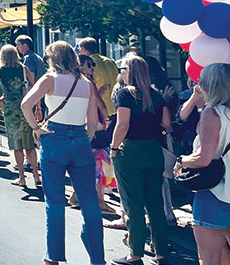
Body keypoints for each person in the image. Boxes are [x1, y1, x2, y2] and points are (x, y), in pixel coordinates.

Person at [21, 41, 105, 265]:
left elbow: (26, 104)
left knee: (55, 201)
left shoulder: (50, 79)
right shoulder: (86, 83)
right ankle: (98, 258)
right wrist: (84, 139)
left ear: (54, 59)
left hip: (54, 136)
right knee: (89, 202)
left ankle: (54, 256)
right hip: (79, 138)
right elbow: (92, 120)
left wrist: (36, 127)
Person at [108, 55, 171, 264]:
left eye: (122, 68)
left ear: (131, 71)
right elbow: (166, 123)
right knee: (155, 202)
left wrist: (114, 148)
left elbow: (122, 125)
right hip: (153, 149)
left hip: (131, 150)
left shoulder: (125, 94)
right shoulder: (156, 95)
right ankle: (161, 252)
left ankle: (135, 254)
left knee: (133, 203)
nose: (120, 72)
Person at [175, 63, 230, 265]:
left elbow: (203, 158)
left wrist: (181, 161)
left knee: (209, 259)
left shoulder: (213, 113)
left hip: (215, 193)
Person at [0, 44, 40, 186]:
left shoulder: (0, 70)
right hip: (25, 107)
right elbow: (34, 86)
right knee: (29, 143)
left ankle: (22, 178)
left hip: (10, 109)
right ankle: (36, 176)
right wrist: (37, 107)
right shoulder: (23, 69)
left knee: (16, 144)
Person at [79, 54, 117, 213]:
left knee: (91, 163)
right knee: (101, 163)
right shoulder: (87, 82)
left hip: (84, 125)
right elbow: (98, 104)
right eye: (89, 64)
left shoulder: (77, 82)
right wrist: (106, 119)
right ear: (81, 66)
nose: (93, 67)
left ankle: (78, 195)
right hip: (95, 125)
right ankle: (100, 200)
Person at [78, 38, 120, 119]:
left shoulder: (88, 65)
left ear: (83, 48)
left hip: (99, 109)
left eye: (79, 49)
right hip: (115, 106)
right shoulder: (110, 61)